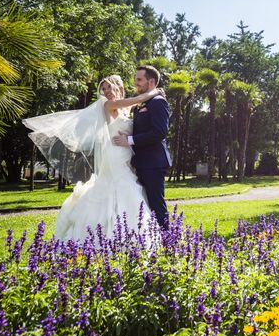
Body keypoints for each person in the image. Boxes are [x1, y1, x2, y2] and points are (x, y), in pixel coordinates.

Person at [23, 75, 159, 241]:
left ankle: (127, 232)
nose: (106, 91)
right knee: (121, 186)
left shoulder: (124, 108)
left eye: (109, 87)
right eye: (104, 89)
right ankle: (114, 235)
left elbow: (130, 112)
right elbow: (136, 99)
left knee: (122, 185)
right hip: (114, 155)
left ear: (119, 87)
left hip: (125, 153)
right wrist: (155, 91)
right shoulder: (108, 105)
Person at [112, 65, 172, 228]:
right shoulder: (142, 103)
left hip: (153, 162)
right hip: (141, 162)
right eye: (135, 79)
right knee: (145, 204)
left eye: (139, 79)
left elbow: (159, 132)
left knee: (156, 204)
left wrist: (130, 140)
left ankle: (168, 244)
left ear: (151, 81)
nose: (135, 83)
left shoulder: (158, 102)